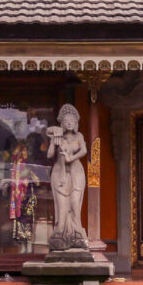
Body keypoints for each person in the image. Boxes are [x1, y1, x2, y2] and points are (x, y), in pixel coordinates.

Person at [44, 103, 88, 251]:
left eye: (72, 120)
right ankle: (60, 235)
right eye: (66, 120)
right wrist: (52, 141)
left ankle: (77, 234)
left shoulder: (79, 136)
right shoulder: (58, 136)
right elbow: (50, 155)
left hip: (76, 172)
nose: (69, 122)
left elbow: (84, 150)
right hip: (59, 173)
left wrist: (71, 157)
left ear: (76, 123)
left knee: (75, 204)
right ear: (61, 123)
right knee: (62, 207)